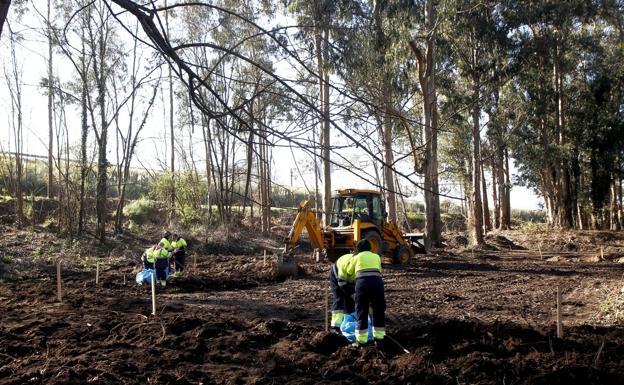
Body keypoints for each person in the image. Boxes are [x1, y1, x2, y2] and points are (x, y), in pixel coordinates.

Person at [346, 239, 386, 347]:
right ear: (370, 248)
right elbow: (379, 270)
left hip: (362, 284)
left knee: (362, 310)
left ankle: (361, 341)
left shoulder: (356, 257)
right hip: (377, 283)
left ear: (358, 248)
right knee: (378, 309)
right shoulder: (376, 256)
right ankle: (379, 339)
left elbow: (349, 272)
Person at [329, 252, 356, 332]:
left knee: (350, 301)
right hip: (337, 276)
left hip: (349, 280)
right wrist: (352, 294)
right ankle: (335, 326)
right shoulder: (347, 265)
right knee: (339, 298)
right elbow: (342, 284)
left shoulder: (361, 267)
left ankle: (348, 323)